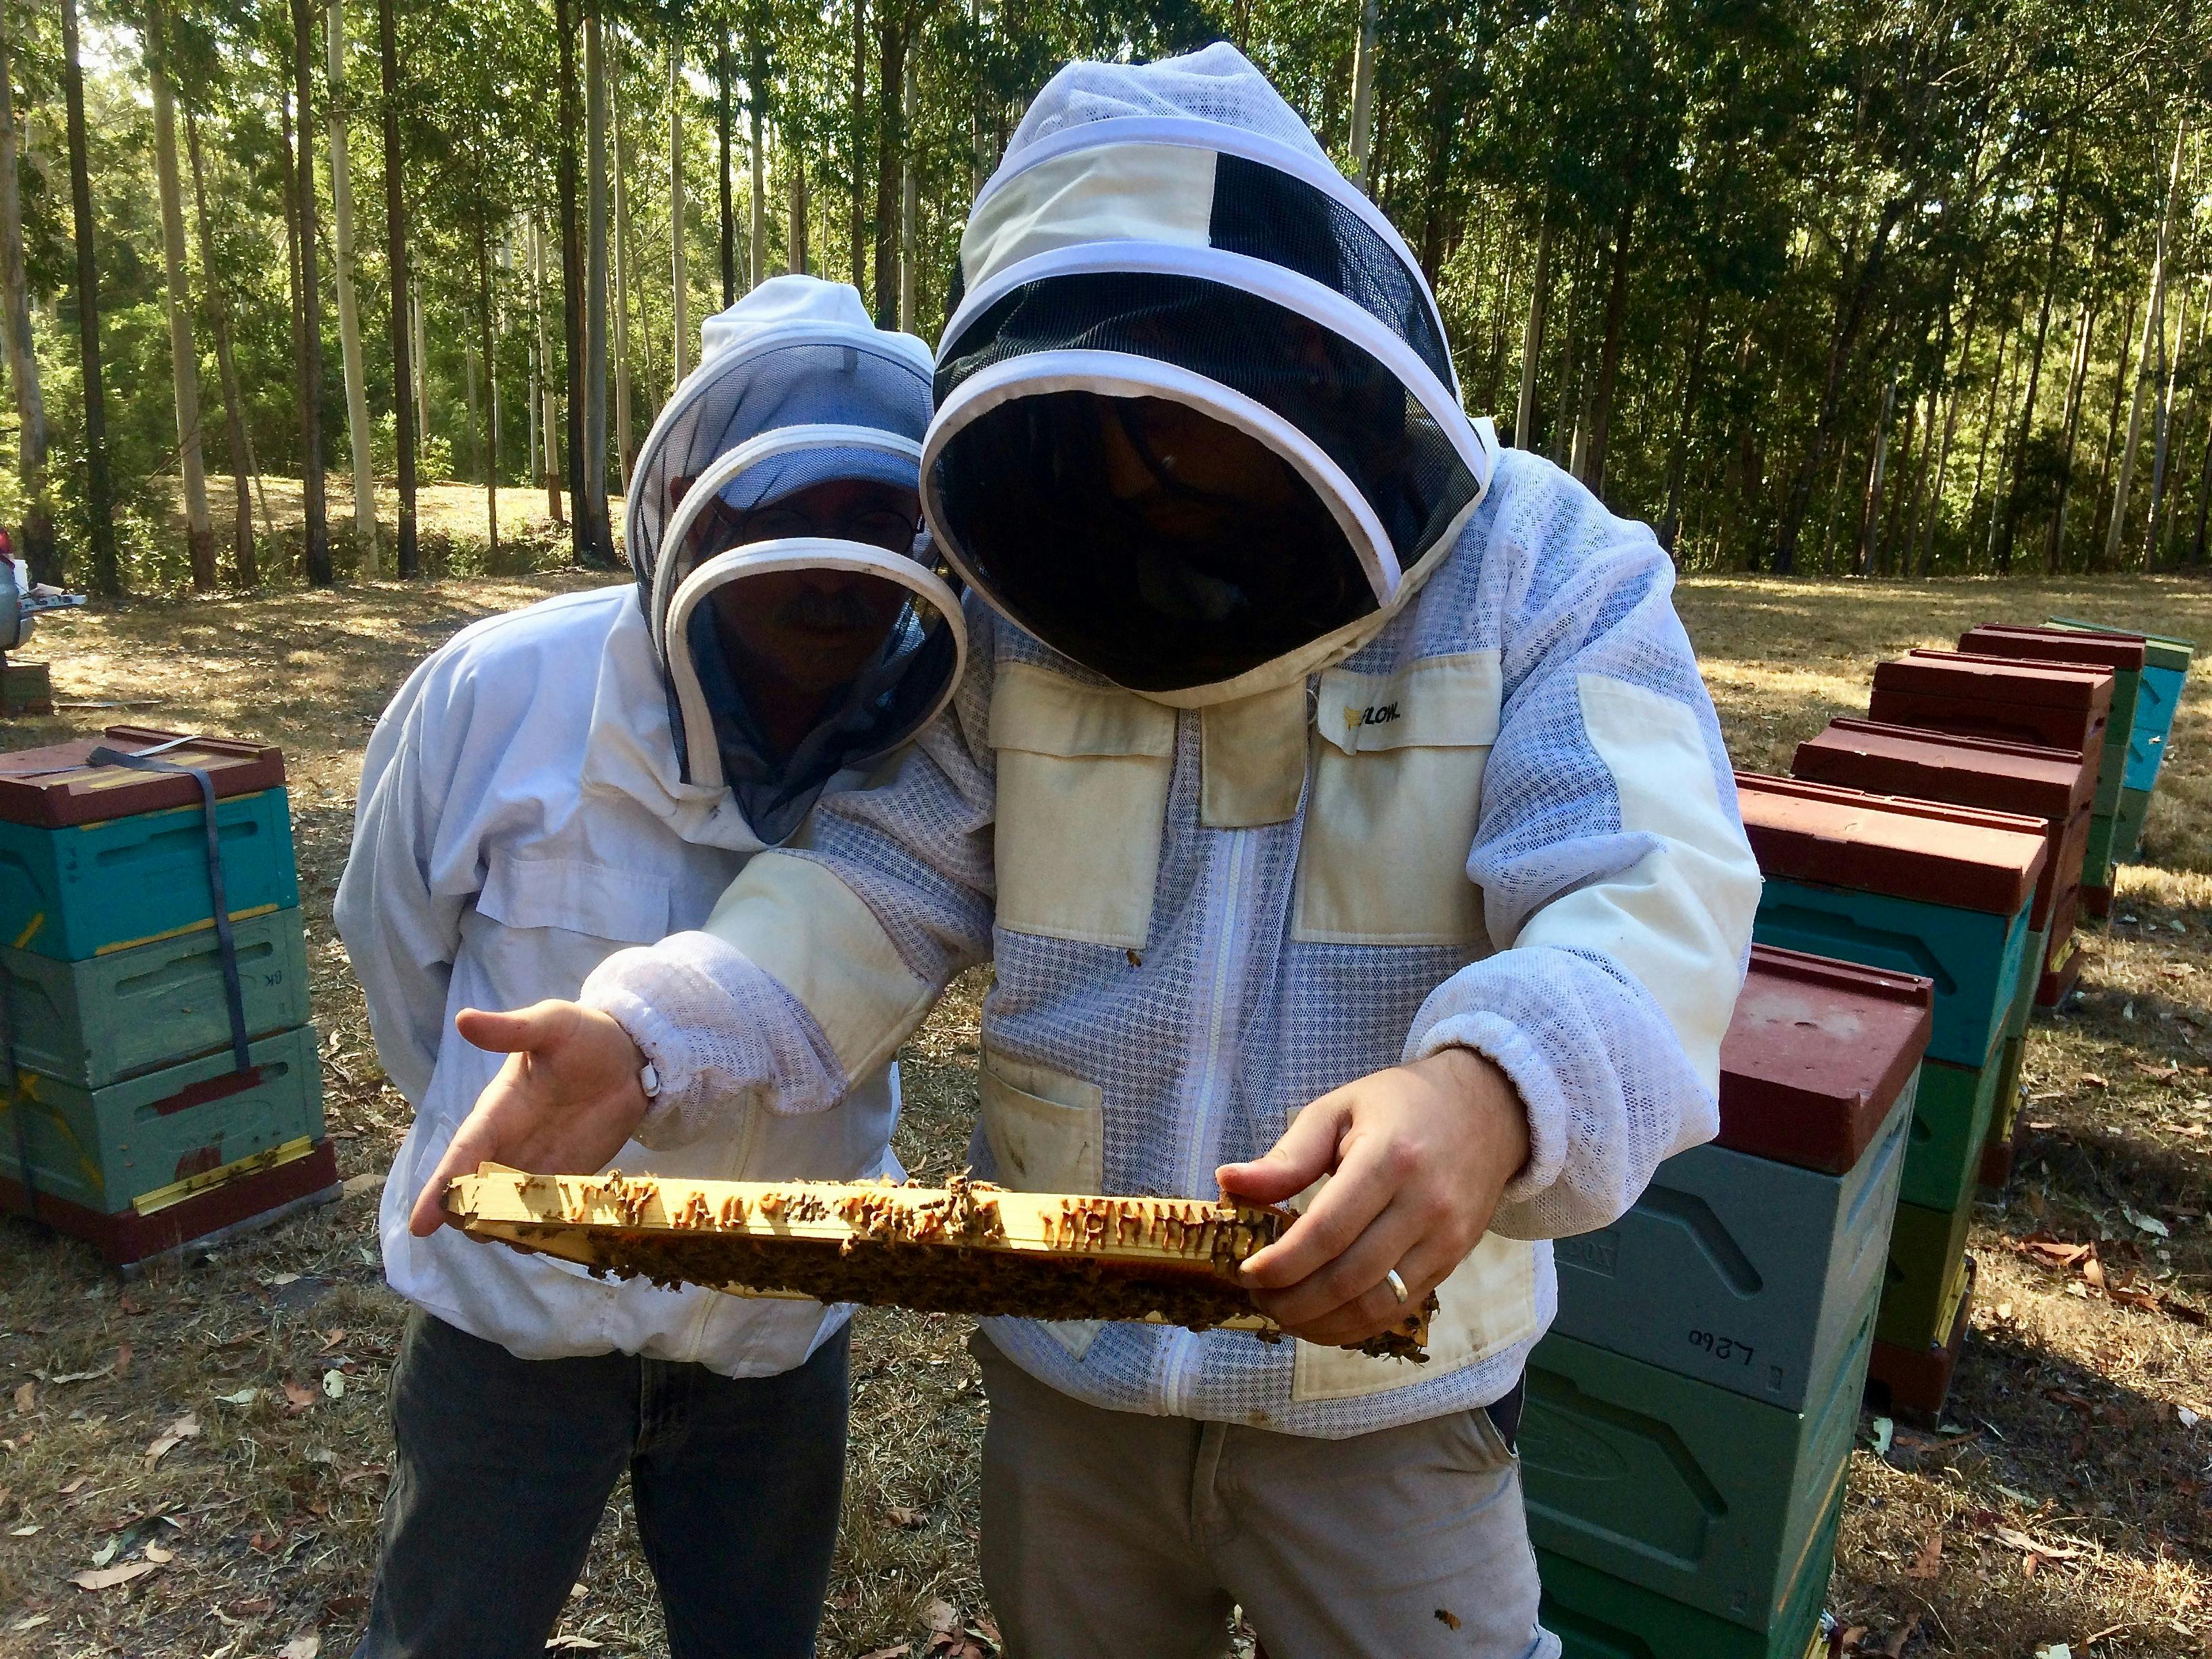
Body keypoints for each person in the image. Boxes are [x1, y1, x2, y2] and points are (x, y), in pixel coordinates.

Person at [412, 46, 1763, 1659]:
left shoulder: (1545, 569)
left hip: (1386, 1394)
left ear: (1307, 358)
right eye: (1090, 429)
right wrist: (652, 1028)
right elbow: (877, 881)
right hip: (1076, 1378)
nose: (1137, 478)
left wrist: (1487, 1094)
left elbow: (1651, 897)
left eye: (1170, 422)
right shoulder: (1032, 590)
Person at [335, 276, 964, 1659]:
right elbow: (397, 951)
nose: (832, 570)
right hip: (515, 1321)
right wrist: (479, 1110)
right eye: (787, 513)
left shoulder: (933, 738)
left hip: (768, 1335)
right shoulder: (500, 690)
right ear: (691, 506)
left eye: (873, 521)